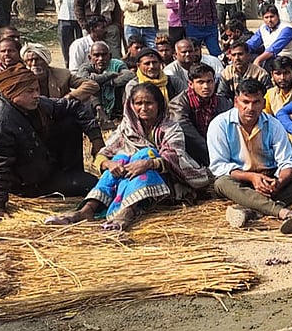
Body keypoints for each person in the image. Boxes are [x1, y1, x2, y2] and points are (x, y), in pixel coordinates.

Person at [45, 83, 211, 230]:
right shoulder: (126, 129)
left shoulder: (170, 128)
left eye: (149, 103)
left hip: (168, 180)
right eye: (138, 103)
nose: (143, 108)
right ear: (132, 106)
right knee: (119, 159)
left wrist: (148, 163)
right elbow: (103, 153)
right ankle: (86, 210)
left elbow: (175, 156)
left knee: (145, 153)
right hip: (128, 175)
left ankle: (126, 212)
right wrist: (109, 165)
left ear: (159, 105)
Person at [0, 64, 103, 220]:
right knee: (91, 184)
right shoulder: (1, 122)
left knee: (69, 121)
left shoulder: (35, 104)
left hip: (41, 162)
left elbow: (75, 106)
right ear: (12, 92)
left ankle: (71, 172)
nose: (36, 95)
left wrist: (96, 140)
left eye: (37, 90)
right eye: (30, 91)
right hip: (26, 183)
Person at [207, 78, 292, 233]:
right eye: (245, 102)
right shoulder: (219, 125)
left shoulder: (273, 125)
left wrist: (278, 182)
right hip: (238, 180)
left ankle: (250, 211)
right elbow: (219, 166)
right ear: (236, 102)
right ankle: (282, 212)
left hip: (267, 180)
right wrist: (251, 177)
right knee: (221, 183)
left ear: (263, 103)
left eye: (256, 102)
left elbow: (287, 162)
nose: (250, 108)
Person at [170, 63, 233, 166]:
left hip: (220, 150)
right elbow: (188, 133)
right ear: (190, 84)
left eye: (209, 82)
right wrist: (212, 151)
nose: (206, 86)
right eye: (200, 82)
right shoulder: (178, 104)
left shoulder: (224, 103)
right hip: (190, 152)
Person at [77, 41, 134, 122]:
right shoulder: (85, 67)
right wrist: (108, 75)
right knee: (88, 86)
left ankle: (123, 116)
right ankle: (97, 112)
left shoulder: (117, 64)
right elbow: (83, 80)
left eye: (104, 55)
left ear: (110, 56)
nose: (100, 59)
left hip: (117, 104)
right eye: (96, 55)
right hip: (94, 105)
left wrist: (108, 82)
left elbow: (130, 75)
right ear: (90, 58)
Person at [22, 43, 98, 102]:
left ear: (46, 60)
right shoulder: (22, 77)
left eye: (37, 59)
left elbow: (92, 85)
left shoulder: (62, 74)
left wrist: (70, 96)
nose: (34, 63)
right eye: (29, 60)